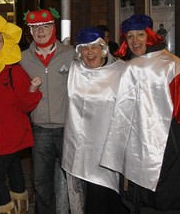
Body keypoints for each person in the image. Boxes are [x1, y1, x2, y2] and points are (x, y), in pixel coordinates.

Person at [101, 14, 180, 212]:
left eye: (140, 35)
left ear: (150, 36)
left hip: (167, 140)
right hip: (138, 138)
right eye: (130, 36)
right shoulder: (131, 66)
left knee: (162, 195)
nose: (135, 41)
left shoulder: (170, 64)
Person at [0, 13, 42, 213]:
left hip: (11, 134)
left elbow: (26, 106)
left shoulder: (14, 71)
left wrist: (32, 90)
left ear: (6, 44)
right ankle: (21, 207)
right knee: (14, 170)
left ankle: (6, 209)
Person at [62, 27, 128, 214]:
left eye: (94, 47)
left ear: (103, 49)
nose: (90, 52)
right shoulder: (74, 71)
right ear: (79, 52)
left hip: (110, 145)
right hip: (80, 147)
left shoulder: (121, 70)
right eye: (85, 48)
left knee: (109, 194)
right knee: (90, 197)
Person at [20, 8, 74, 214]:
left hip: (68, 128)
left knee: (73, 180)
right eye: (35, 28)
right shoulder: (22, 58)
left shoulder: (71, 54)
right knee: (41, 182)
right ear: (30, 32)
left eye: (45, 26)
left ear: (54, 27)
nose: (41, 31)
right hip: (40, 128)